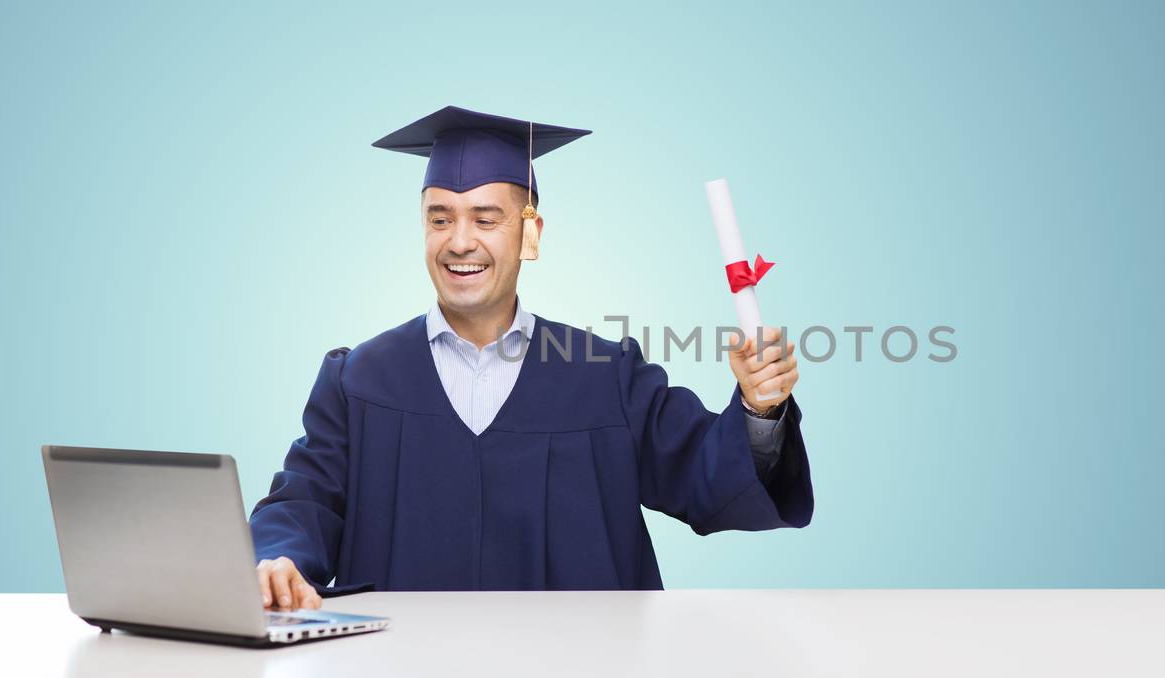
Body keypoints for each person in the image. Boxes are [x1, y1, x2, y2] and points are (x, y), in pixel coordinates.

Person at [248, 106, 812, 610]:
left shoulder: (603, 375)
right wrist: (278, 560)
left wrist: (760, 411)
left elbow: (705, 476)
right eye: (440, 218)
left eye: (486, 219)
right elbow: (303, 501)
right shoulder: (358, 380)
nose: (460, 241)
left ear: (530, 234)